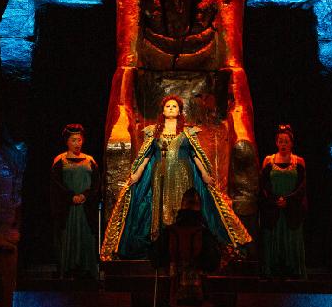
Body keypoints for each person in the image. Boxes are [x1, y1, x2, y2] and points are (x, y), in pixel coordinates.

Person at [102, 95, 250, 260]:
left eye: (174, 106)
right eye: (168, 106)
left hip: (183, 175)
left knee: (182, 206)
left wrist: (205, 174)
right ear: (163, 111)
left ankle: (185, 245)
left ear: (179, 111)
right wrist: (137, 173)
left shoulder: (188, 133)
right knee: (160, 206)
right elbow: (146, 155)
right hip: (160, 176)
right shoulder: (153, 132)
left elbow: (195, 155)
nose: (171, 108)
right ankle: (162, 247)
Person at [151, 189, 222, 307]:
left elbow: (155, 259)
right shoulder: (203, 234)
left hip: (175, 289)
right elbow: (213, 263)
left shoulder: (170, 232)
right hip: (195, 290)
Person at [50, 123, 101, 279]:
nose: (77, 143)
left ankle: (87, 269)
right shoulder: (60, 160)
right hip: (68, 207)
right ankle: (68, 268)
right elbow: (56, 185)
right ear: (67, 141)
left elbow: (97, 184)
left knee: (87, 235)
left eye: (79, 140)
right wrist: (71, 196)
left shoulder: (90, 160)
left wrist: (85, 195)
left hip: (85, 207)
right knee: (67, 236)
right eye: (73, 140)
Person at [258, 124, 307, 278]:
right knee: (272, 239)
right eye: (280, 141)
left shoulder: (299, 161)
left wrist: (288, 201)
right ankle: (271, 271)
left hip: (292, 209)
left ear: (291, 143)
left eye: (286, 141)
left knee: (292, 239)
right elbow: (263, 185)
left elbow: (302, 186)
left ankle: (294, 272)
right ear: (276, 142)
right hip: (273, 208)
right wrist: (275, 200)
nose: (283, 144)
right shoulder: (268, 160)